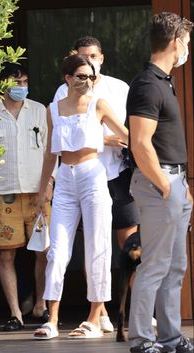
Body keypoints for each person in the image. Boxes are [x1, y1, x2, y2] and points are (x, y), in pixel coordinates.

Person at [33, 53, 128, 340]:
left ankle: (94, 318)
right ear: (68, 78)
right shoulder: (53, 109)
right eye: (81, 76)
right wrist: (42, 189)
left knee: (97, 245)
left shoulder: (98, 104)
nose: (87, 81)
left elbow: (128, 135)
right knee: (58, 250)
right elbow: (51, 151)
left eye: (91, 76)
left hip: (92, 174)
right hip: (64, 178)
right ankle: (52, 319)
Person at [54, 35, 140, 332]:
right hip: (78, 176)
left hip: (116, 174)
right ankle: (98, 312)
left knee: (127, 245)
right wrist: (102, 138)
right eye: (82, 56)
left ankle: (134, 312)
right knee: (83, 245)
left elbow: (130, 131)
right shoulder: (62, 92)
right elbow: (62, 136)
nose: (89, 62)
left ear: (101, 57)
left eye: (93, 56)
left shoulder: (119, 88)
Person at [126, 12, 193, 353]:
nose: (187, 48)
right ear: (174, 43)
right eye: (186, 42)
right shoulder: (148, 83)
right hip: (159, 184)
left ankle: (169, 338)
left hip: (174, 182)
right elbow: (140, 142)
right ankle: (141, 340)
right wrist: (166, 186)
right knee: (154, 265)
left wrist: (181, 186)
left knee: (175, 266)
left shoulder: (164, 81)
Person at [0, 62, 57, 331]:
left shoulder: (39, 111)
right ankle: (16, 313)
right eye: (17, 83)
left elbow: (53, 150)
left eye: (25, 82)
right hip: (4, 193)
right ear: (3, 84)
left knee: (46, 251)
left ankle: (42, 304)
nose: (21, 87)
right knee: (5, 256)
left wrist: (50, 181)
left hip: (39, 192)